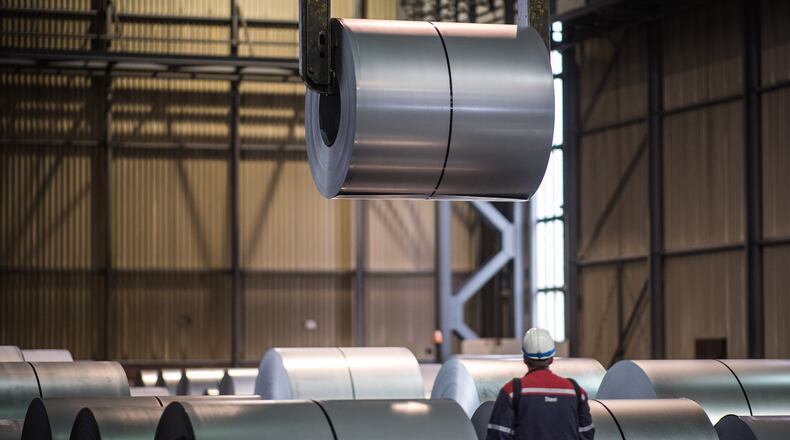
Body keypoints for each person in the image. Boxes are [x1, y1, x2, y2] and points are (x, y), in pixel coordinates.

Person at [486, 328, 595, 439]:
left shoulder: (511, 392)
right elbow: (587, 435)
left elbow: (498, 435)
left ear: (524, 359)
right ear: (552, 359)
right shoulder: (576, 392)